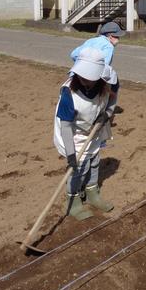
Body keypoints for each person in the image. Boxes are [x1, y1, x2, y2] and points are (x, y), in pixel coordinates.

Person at [54, 48, 118, 220]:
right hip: (73, 134)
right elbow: (66, 126)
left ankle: (92, 193)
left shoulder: (107, 82)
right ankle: (73, 200)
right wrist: (70, 154)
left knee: (94, 162)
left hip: (94, 130)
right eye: (81, 76)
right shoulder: (69, 94)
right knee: (77, 169)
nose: (84, 80)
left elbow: (113, 98)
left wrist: (107, 114)